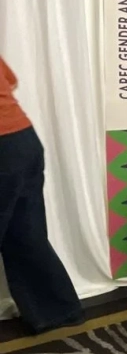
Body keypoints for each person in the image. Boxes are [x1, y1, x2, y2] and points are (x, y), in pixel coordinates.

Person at [0, 56, 84, 334]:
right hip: (22, 140)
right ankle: (57, 311)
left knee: (23, 232)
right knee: (25, 232)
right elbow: (10, 80)